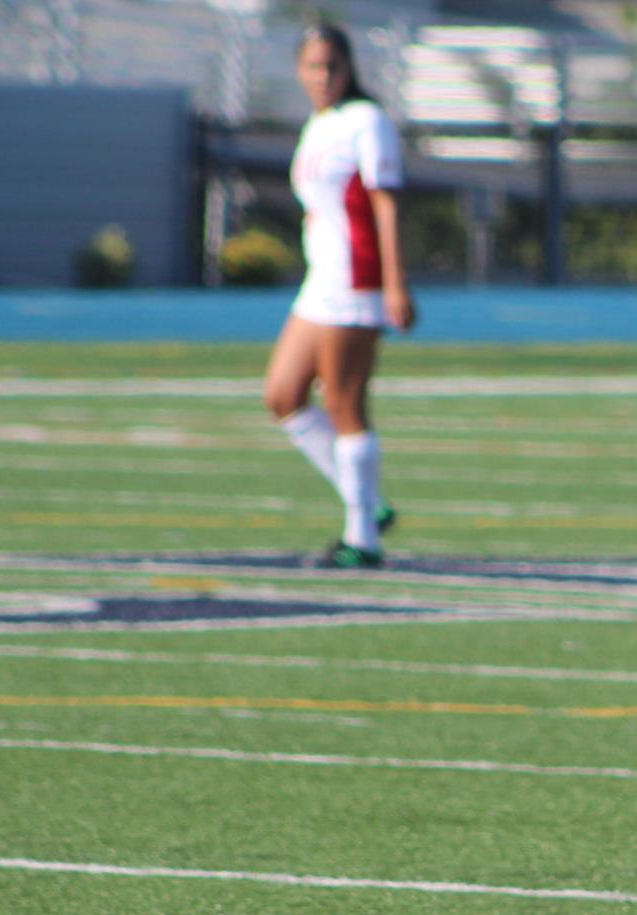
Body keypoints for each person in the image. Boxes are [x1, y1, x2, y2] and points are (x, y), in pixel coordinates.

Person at [261, 21, 414, 569]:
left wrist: (396, 282)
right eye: (313, 67)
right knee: (282, 394)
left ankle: (362, 538)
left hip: (356, 279)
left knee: (345, 404)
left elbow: (385, 204)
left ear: (349, 69)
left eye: (333, 66)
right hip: (319, 280)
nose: (323, 76)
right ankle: (369, 503)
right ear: (300, 71)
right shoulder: (318, 124)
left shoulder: (366, 121)